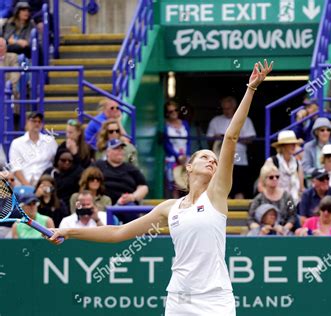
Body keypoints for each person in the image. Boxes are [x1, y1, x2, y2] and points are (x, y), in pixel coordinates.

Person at [49, 60, 273, 316]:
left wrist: (251, 89)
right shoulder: (170, 208)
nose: (212, 160)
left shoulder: (217, 194)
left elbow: (231, 137)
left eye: (214, 158)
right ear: (188, 167)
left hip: (216, 300)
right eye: (204, 157)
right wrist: (67, 231)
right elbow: (117, 233)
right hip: (179, 299)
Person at [207, 95, 256, 199]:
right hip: (219, 161)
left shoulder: (245, 119)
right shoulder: (215, 120)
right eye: (224, 108)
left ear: (234, 107)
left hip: (240, 161)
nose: (226, 111)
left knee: (239, 189)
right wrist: (217, 138)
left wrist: (231, 139)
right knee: (222, 189)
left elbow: (251, 139)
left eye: (228, 108)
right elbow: (208, 139)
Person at [8, 112, 57, 186]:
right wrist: (27, 186)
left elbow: (56, 161)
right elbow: (15, 167)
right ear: (27, 122)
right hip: (23, 184)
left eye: (39, 121)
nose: (37, 124)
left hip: (44, 183)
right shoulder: (17, 143)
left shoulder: (50, 141)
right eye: (34, 121)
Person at [95, 138, 148, 207]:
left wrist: (132, 197)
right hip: (103, 202)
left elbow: (143, 187)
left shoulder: (131, 168)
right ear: (108, 152)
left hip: (126, 204)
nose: (120, 151)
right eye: (116, 149)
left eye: (121, 149)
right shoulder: (98, 165)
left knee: (130, 209)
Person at [248, 164, 297, 235]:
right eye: (271, 177)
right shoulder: (259, 199)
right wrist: (261, 229)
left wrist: (284, 229)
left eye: (277, 176)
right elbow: (250, 219)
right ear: (264, 179)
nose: (275, 179)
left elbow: (292, 216)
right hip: (263, 234)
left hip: (284, 233)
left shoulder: (287, 197)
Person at [263, 130, 304, 203]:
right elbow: (261, 186)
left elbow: (301, 188)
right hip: (276, 203)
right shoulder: (272, 161)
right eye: (290, 144)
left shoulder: (298, 163)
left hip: (295, 204)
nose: (294, 146)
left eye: (294, 143)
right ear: (283, 146)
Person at [163, 100, 191, 198]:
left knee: (187, 182)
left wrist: (186, 155)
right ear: (167, 113)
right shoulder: (165, 125)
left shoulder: (185, 124)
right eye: (170, 111)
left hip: (185, 157)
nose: (174, 113)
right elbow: (166, 143)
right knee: (173, 184)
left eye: (176, 110)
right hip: (172, 158)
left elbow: (188, 141)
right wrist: (177, 156)